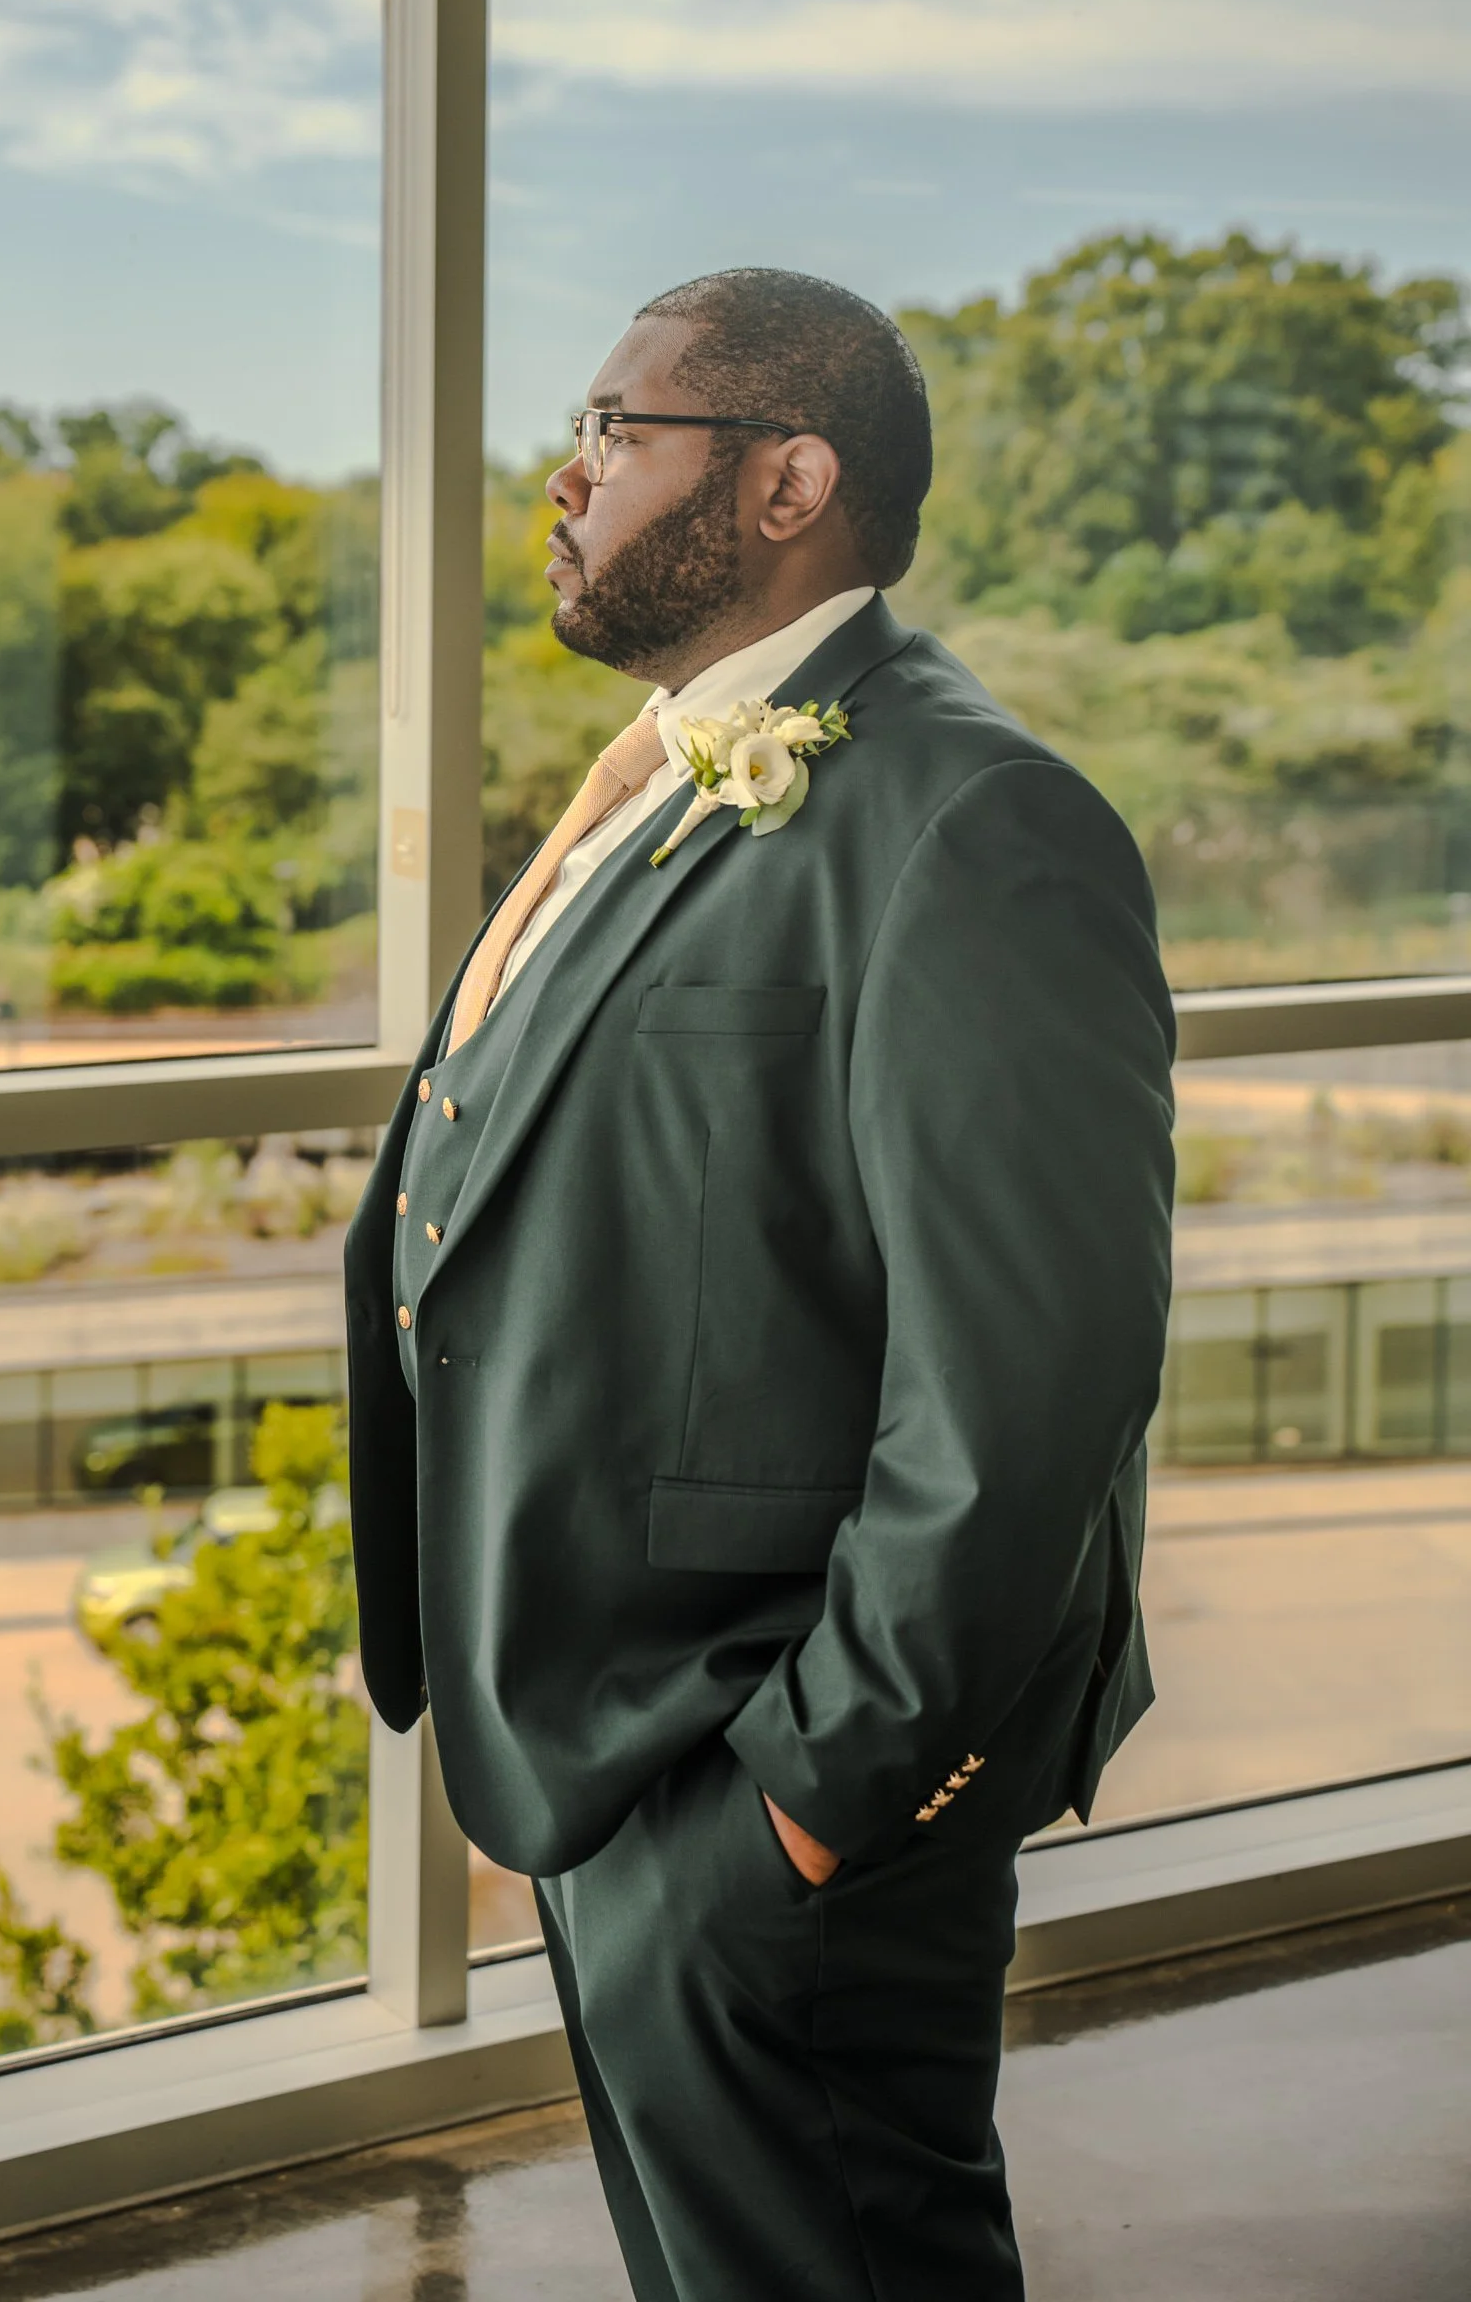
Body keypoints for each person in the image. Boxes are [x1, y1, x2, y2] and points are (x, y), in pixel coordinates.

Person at [344, 265, 1175, 2301]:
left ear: (788, 478)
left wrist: (811, 1796)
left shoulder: (972, 818)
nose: (565, 477)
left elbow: (1027, 1384)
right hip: (618, 1742)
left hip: (769, 1774)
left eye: (618, 433)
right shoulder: (676, 767)